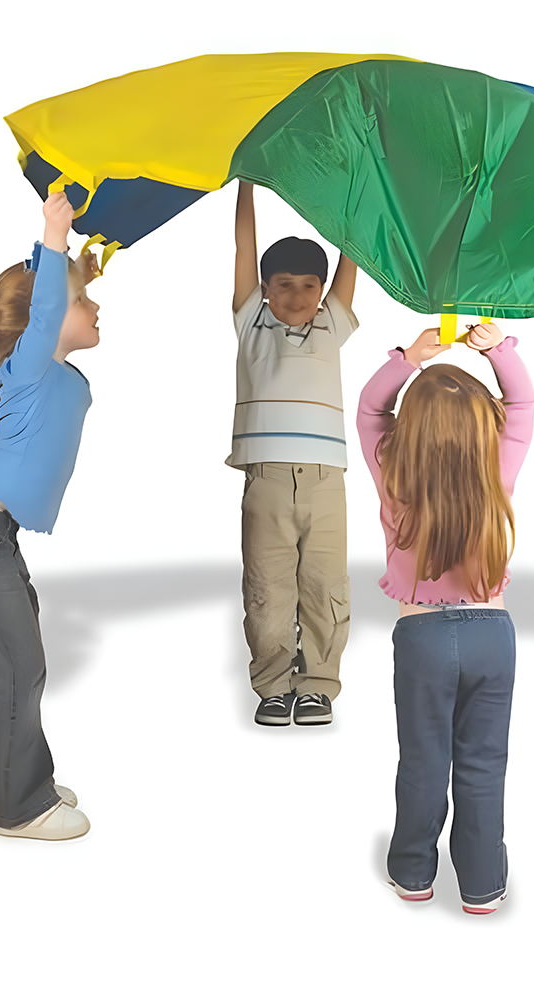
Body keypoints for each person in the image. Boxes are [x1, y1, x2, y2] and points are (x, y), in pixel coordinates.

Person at [0, 191, 101, 840]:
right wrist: (54, 236)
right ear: (46, 319)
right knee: (19, 669)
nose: (95, 309)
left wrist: (71, 262)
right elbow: (48, 304)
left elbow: (51, 301)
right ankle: (20, 808)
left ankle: (12, 783)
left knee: (18, 667)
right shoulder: (29, 367)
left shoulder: (40, 369)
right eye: (83, 302)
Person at [357, 322, 534, 914]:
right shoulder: (497, 466)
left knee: (424, 759)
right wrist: (498, 352)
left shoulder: (393, 469)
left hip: (422, 637)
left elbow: (368, 409)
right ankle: (482, 883)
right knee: (484, 765)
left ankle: (413, 873)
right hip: (492, 635)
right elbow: (524, 402)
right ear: (488, 426)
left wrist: (411, 357)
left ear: (411, 433)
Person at [229, 181, 359, 726]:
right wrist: (247, 185)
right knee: (267, 587)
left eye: (311, 286)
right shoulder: (252, 324)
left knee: (326, 585)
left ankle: (318, 685)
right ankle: (273, 685)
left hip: (328, 481)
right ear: (264, 288)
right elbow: (243, 247)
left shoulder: (332, 322)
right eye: (284, 285)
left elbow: (355, 252)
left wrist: (359, 189)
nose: (299, 297)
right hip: (268, 480)